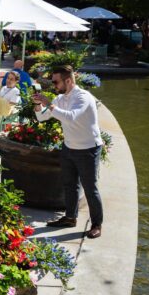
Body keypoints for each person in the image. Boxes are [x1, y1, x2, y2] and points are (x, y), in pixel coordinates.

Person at [34, 65, 104, 239]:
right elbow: (42, 117)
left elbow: (70, 117)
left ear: (68, 80)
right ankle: (70, 217)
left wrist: (48, 103)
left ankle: (97, 224)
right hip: (69, 147)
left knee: (90, 188)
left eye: (56, 82)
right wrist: (37, 105)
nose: (54, 85)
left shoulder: (83, 97)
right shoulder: (60, 98)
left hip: (88, 148)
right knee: (69, 184)